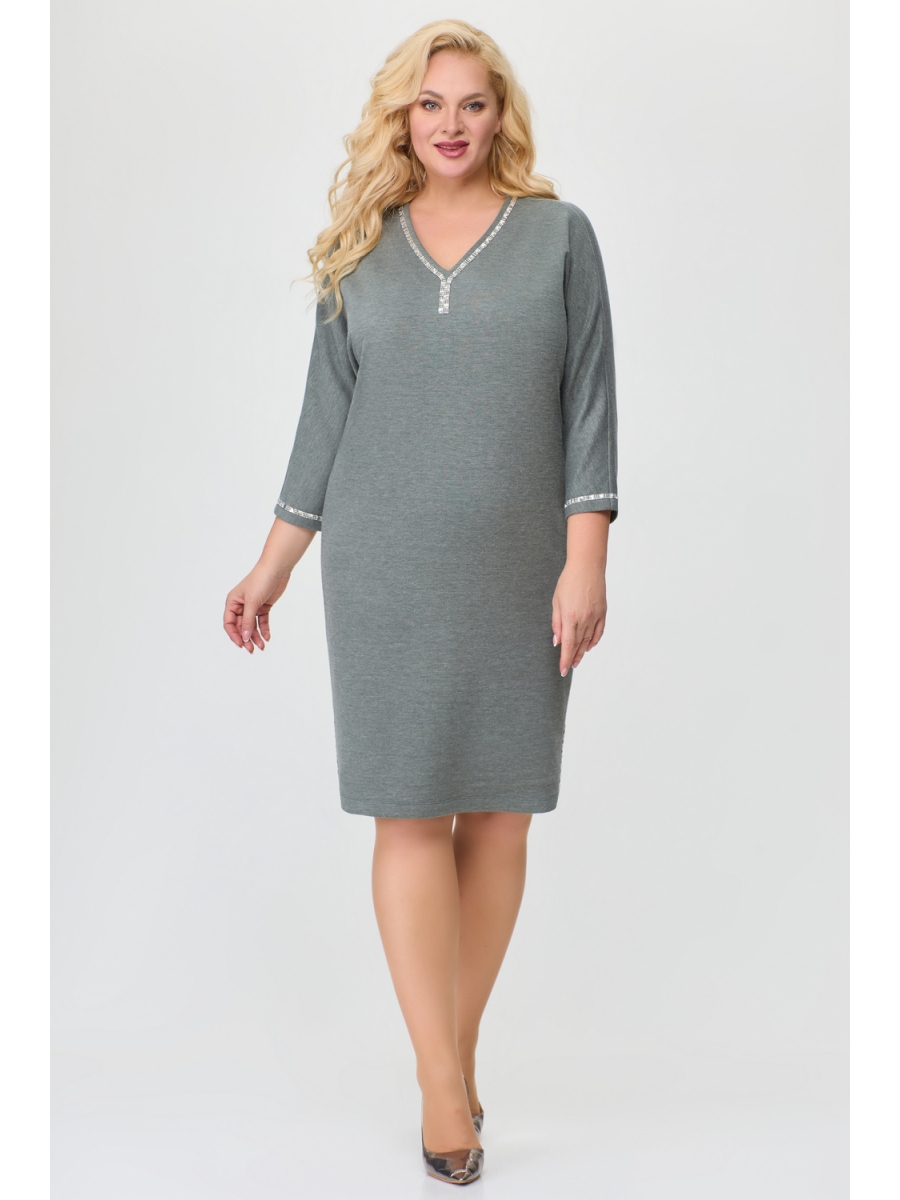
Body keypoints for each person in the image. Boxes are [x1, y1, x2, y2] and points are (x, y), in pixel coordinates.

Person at [223, 19, 618, 1186]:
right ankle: (443, 1082)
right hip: (382, 568)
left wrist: (586, 557)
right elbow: (322, 426)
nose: (452, 123)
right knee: (408, 815)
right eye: (431, 103)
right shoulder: (362, 251)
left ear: (501, 115)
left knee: (501, 816)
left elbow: (590, 403)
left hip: (519, 569)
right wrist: (270, 568)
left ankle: (452, 1047)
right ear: (402, 116)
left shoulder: (559, 236)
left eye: (473, 103)